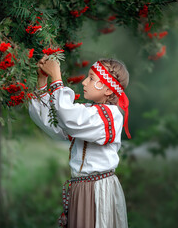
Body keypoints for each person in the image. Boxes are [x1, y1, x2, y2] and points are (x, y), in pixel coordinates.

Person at [28, 56, 131, 228]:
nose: (84, 82)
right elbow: (53, 124)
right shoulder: (89, 112)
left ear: (108, 89)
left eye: (91, 78)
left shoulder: (111, 116)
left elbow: (70, 119)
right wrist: (42, 80)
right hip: (80, 189)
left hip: (98, 190)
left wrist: (57, 78)